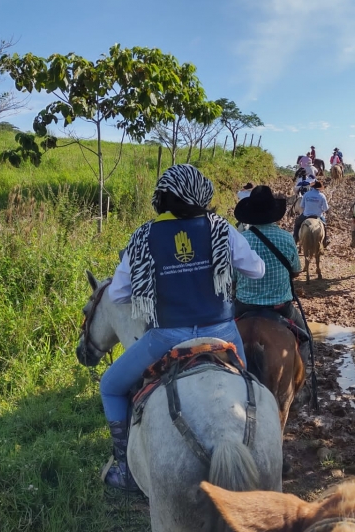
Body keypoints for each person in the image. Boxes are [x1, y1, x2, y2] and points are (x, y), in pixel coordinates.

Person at [101, 164, 265, 490]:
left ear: (163, 198)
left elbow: (118, 293)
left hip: (166, 336)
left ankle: (124, 467)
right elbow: (257, 270)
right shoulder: (221, 229)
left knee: (110, 386)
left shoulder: (144, 236)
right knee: (255, 389)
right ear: (201, 197)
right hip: (223, 332)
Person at [233, 186, 310, 361]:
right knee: (305, 337)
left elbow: (233, 277)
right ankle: (302, 381)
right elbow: (296, 270)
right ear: (273, 212)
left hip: (245, 305)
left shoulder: (241, 239)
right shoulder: (286, 237)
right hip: (280, 307)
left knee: (219, 338)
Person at [293, 180, 330, 248]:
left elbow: (302, 206)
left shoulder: (306, 194)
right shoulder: (322, 196)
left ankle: (295, 239)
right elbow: (326, 208)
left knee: (297, 223)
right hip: (318, 216)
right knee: (324, 226)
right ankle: (325, 241)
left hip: (306, 215)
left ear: (312, 187)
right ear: (319, 188)